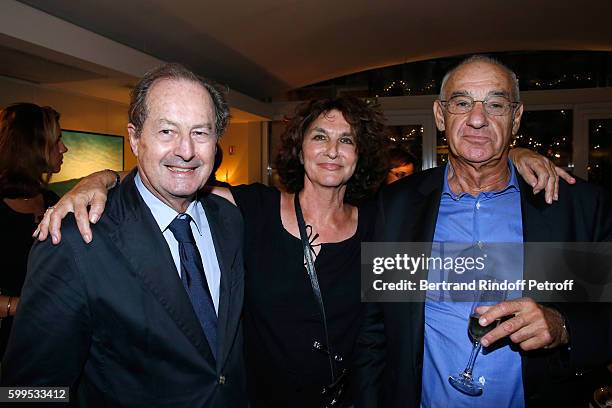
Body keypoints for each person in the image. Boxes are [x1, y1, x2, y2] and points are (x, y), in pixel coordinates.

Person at [34, 97, 569, 406]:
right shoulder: (246, 210)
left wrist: (511, 156)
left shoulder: (383, 223)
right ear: (299, 147)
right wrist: (97, 179)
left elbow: (470, 274)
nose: (332, 151)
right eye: (319, 137)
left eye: (346, 140)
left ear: (362, 155)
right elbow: (171, 178)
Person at [355, 55, 611, 407]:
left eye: (496, 104)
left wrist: (563, 326)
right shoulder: (397, 205)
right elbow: (375, 328)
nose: (478, 119)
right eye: (462, 103)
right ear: (439, 115)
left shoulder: (571, 207)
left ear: (515, 117)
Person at [1, 63, 248, 407]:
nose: (186, 150)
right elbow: (26, 393)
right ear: (135, 138)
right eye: (166, 131)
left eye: (201, 133)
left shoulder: (229, 221)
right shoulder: (74, 240)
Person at [0, 103, 67, 359]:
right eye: (58, 140)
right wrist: (21, 305)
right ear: (32, 146)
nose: (64, 148)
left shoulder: (53, 201)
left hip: (52, 342)